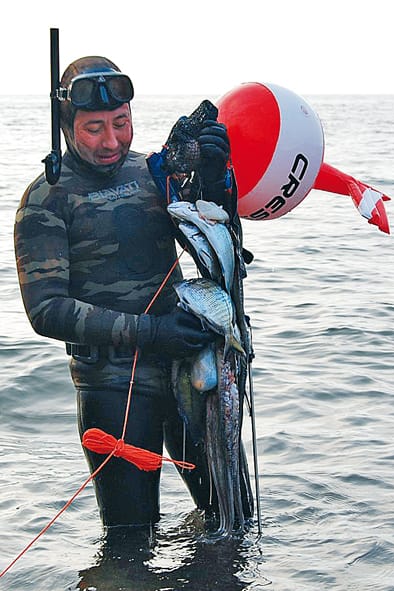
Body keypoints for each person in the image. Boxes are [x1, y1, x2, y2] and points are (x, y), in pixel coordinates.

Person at [14, 56, 239, 530]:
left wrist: (219, 182)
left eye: (121, 123)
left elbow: (219, 246)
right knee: (130, 543)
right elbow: (46, 310)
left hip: (192, 371)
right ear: (65, 125)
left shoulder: (153, 172)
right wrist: (153, 332)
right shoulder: (47, 199)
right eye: (94, 128)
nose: (112, 141)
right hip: (113, 389)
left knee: (233, 521)